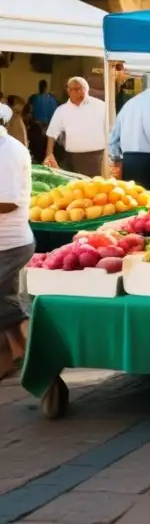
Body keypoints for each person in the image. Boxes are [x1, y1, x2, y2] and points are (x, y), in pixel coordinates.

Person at [0, 103, 34, 382]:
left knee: (5, 304)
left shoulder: (7, 151)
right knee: (5, 302)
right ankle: (23, 354)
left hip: (9, 243)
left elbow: (8, 202)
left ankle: (29, 355)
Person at [44, 77, 108, 177]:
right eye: (70, 89)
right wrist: (49, 154)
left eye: (77, 89)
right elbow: (52, 133)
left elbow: (111, 129)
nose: (73, 92)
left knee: (94, 188)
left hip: (97, 157)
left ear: (85, 89)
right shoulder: (62, 110)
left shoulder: (101, 106)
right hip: (72, 158)